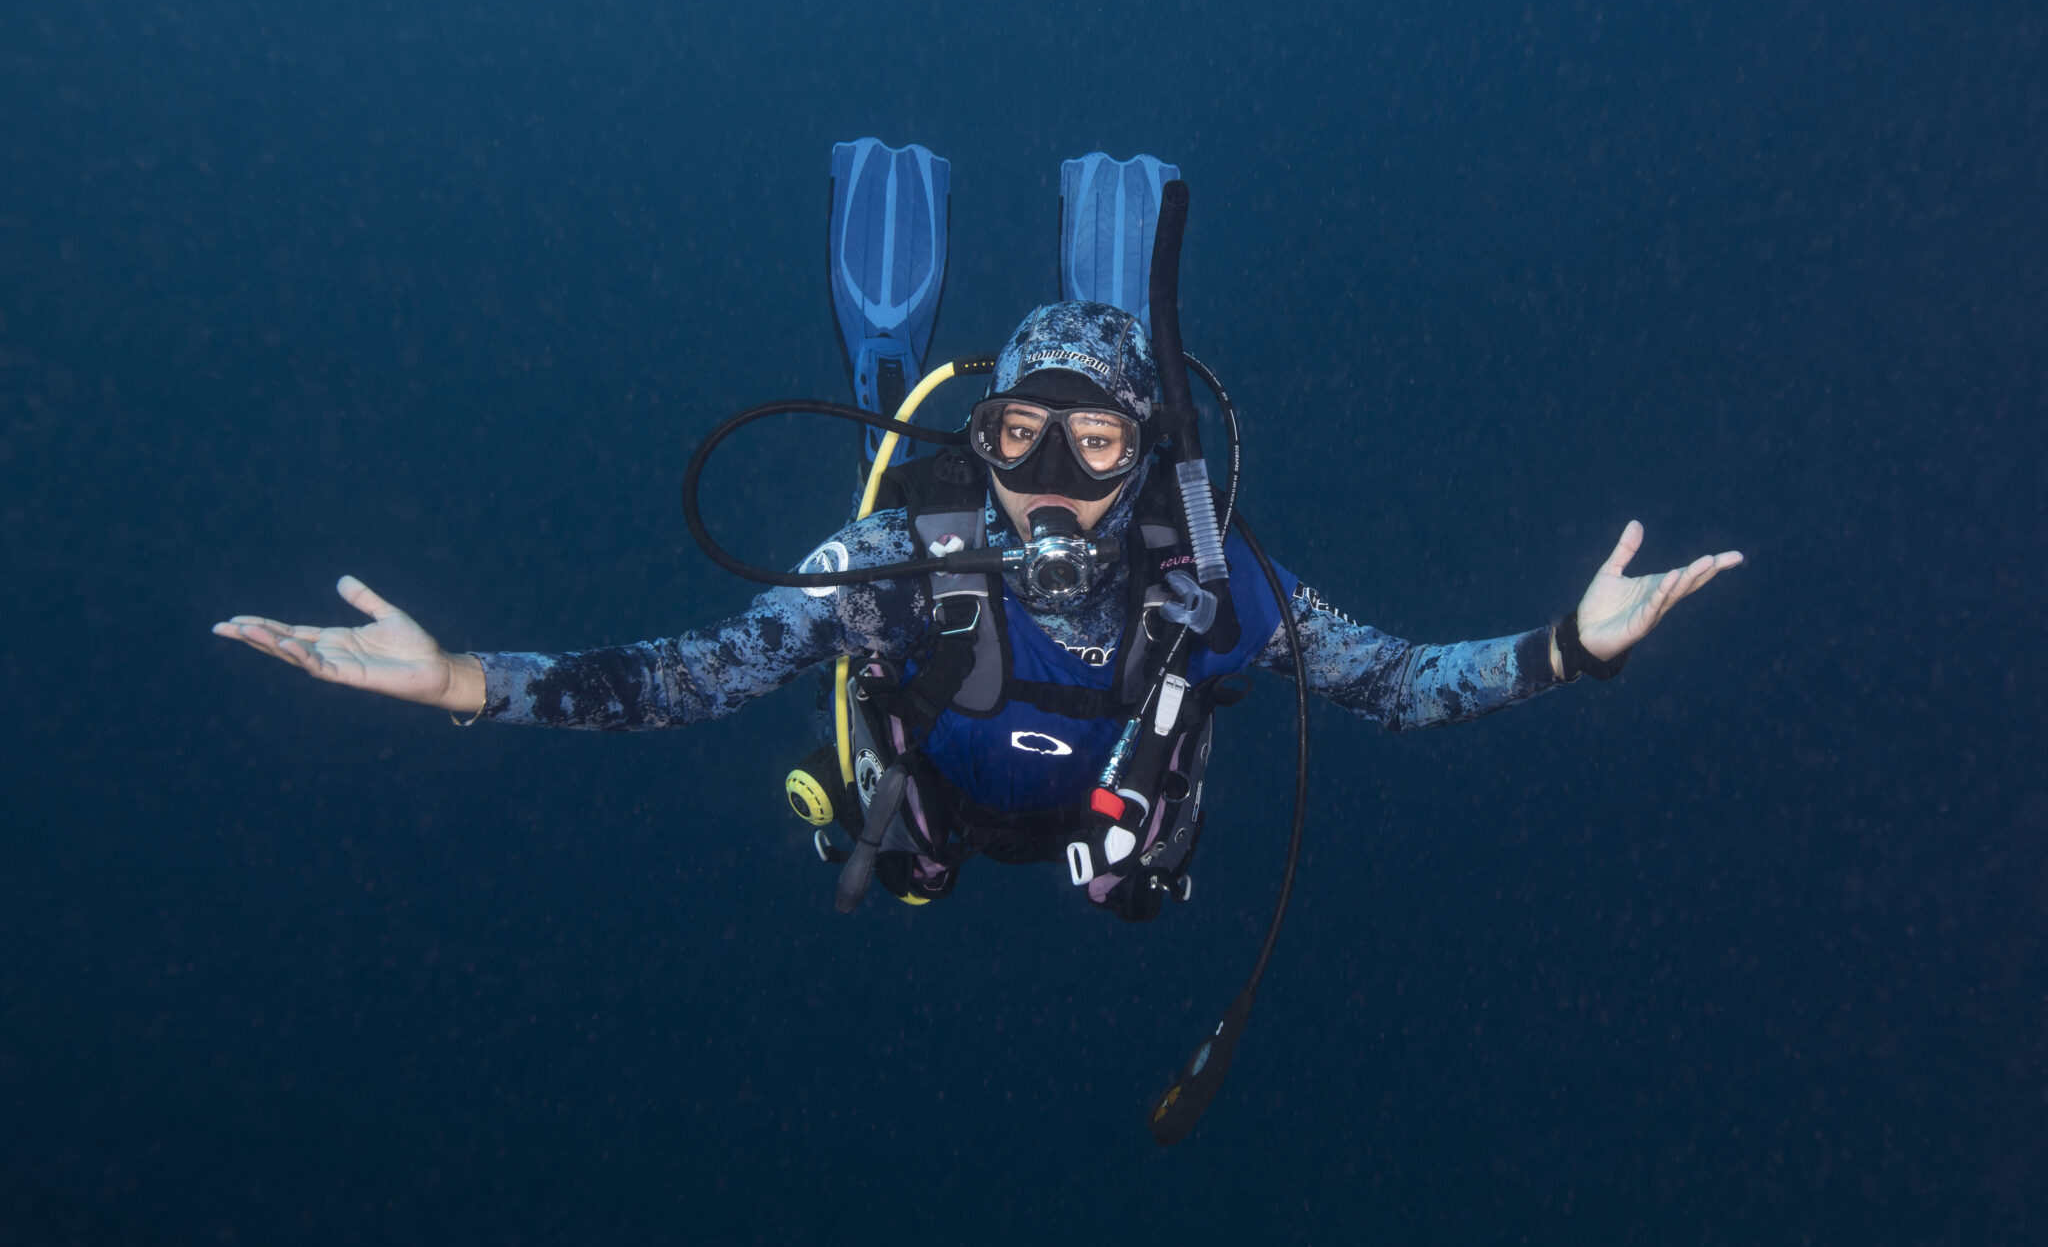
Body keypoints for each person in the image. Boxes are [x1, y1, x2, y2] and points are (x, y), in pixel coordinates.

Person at [215, 299, 1743, 916]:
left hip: (1123, 850)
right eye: (1020, 439)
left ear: (1147, 459)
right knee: (896, 866)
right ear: (979, 443)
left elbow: (1394, 682)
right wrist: (462, 680)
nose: (1054, 483)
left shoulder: (1208, 579)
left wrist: (1567, 649)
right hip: (931, 823)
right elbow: (691, 671)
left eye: (1096, 445)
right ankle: (885, 827)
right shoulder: (893, 559)